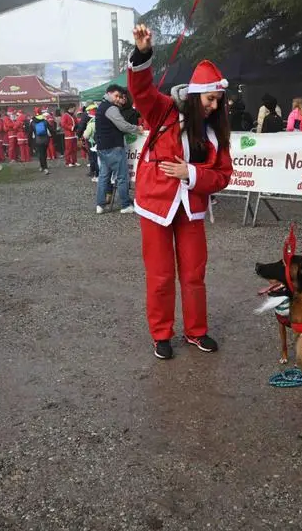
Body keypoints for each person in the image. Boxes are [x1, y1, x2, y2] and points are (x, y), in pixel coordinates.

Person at [128, 25, 233, 360]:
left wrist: (190, 173)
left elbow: (222, 177)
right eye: (210, 99)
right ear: (194, 95)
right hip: (155, 205)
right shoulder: (164, 110)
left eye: (218, 100)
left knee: (193, 274)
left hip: (192, 207)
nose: (215, 107)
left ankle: (196, 331)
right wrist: (143, 54)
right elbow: (141, 91)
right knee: (160, 276)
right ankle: (161, 334)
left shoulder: (217, 133)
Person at [95, 84, 139, 214]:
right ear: (108, 93)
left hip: (102, 147)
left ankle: (100, 205)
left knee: (103, 176)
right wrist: (137, 129)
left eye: (119, 96)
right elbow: (123, 126)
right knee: (122, 177)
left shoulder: (101, 107)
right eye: (116, 96)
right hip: (114, 146)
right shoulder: (111, 108)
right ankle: (125, 205)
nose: (118, 99)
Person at [31, 108, 53, 174]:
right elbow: (51, 129)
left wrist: (31, 142)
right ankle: (44, 166)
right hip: (46, 140)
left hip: (37, 140)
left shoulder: (32, 122)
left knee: (40, 153)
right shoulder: (45, 121)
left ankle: (43, 167)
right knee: (44, 153)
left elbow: (30, 132)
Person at [82, 103, 99, 181]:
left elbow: (86, 135)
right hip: (102, 143)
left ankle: (97, 175)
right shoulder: (102, 120)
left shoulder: (91, 123)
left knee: (94, 160)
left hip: (93, 144)